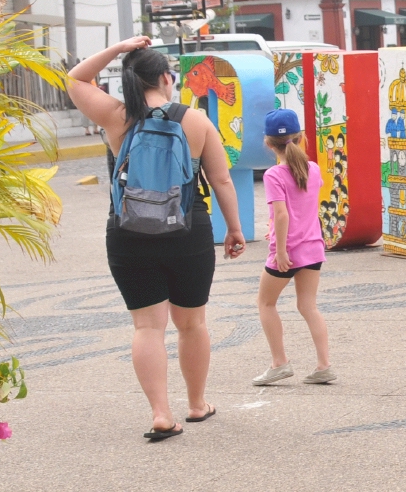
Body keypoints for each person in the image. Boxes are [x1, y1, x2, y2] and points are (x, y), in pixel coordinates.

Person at [67, 37, 247, 441]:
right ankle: (197, 404)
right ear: (166, 78)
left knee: (148, 327)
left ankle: (161, 413)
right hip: (188, 230)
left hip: (128, 231)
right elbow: (220, 179)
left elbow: (76, 78)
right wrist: (234, 228)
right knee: (192, 323)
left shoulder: (116, 116)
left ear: (130, 77)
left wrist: (116, 48)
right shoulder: (195, 121)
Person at [251, 109, 334, 386]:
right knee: (309, 306)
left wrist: (281, 249)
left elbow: (284, 213)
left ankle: (279, 362)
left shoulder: (274, 175)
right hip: (312, 247)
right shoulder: (314, 169)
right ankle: (324, 365)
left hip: (288, 251)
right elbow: (303, 207)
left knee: (265, 303)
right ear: (301, 138)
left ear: (268, 142)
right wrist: (275, 227)